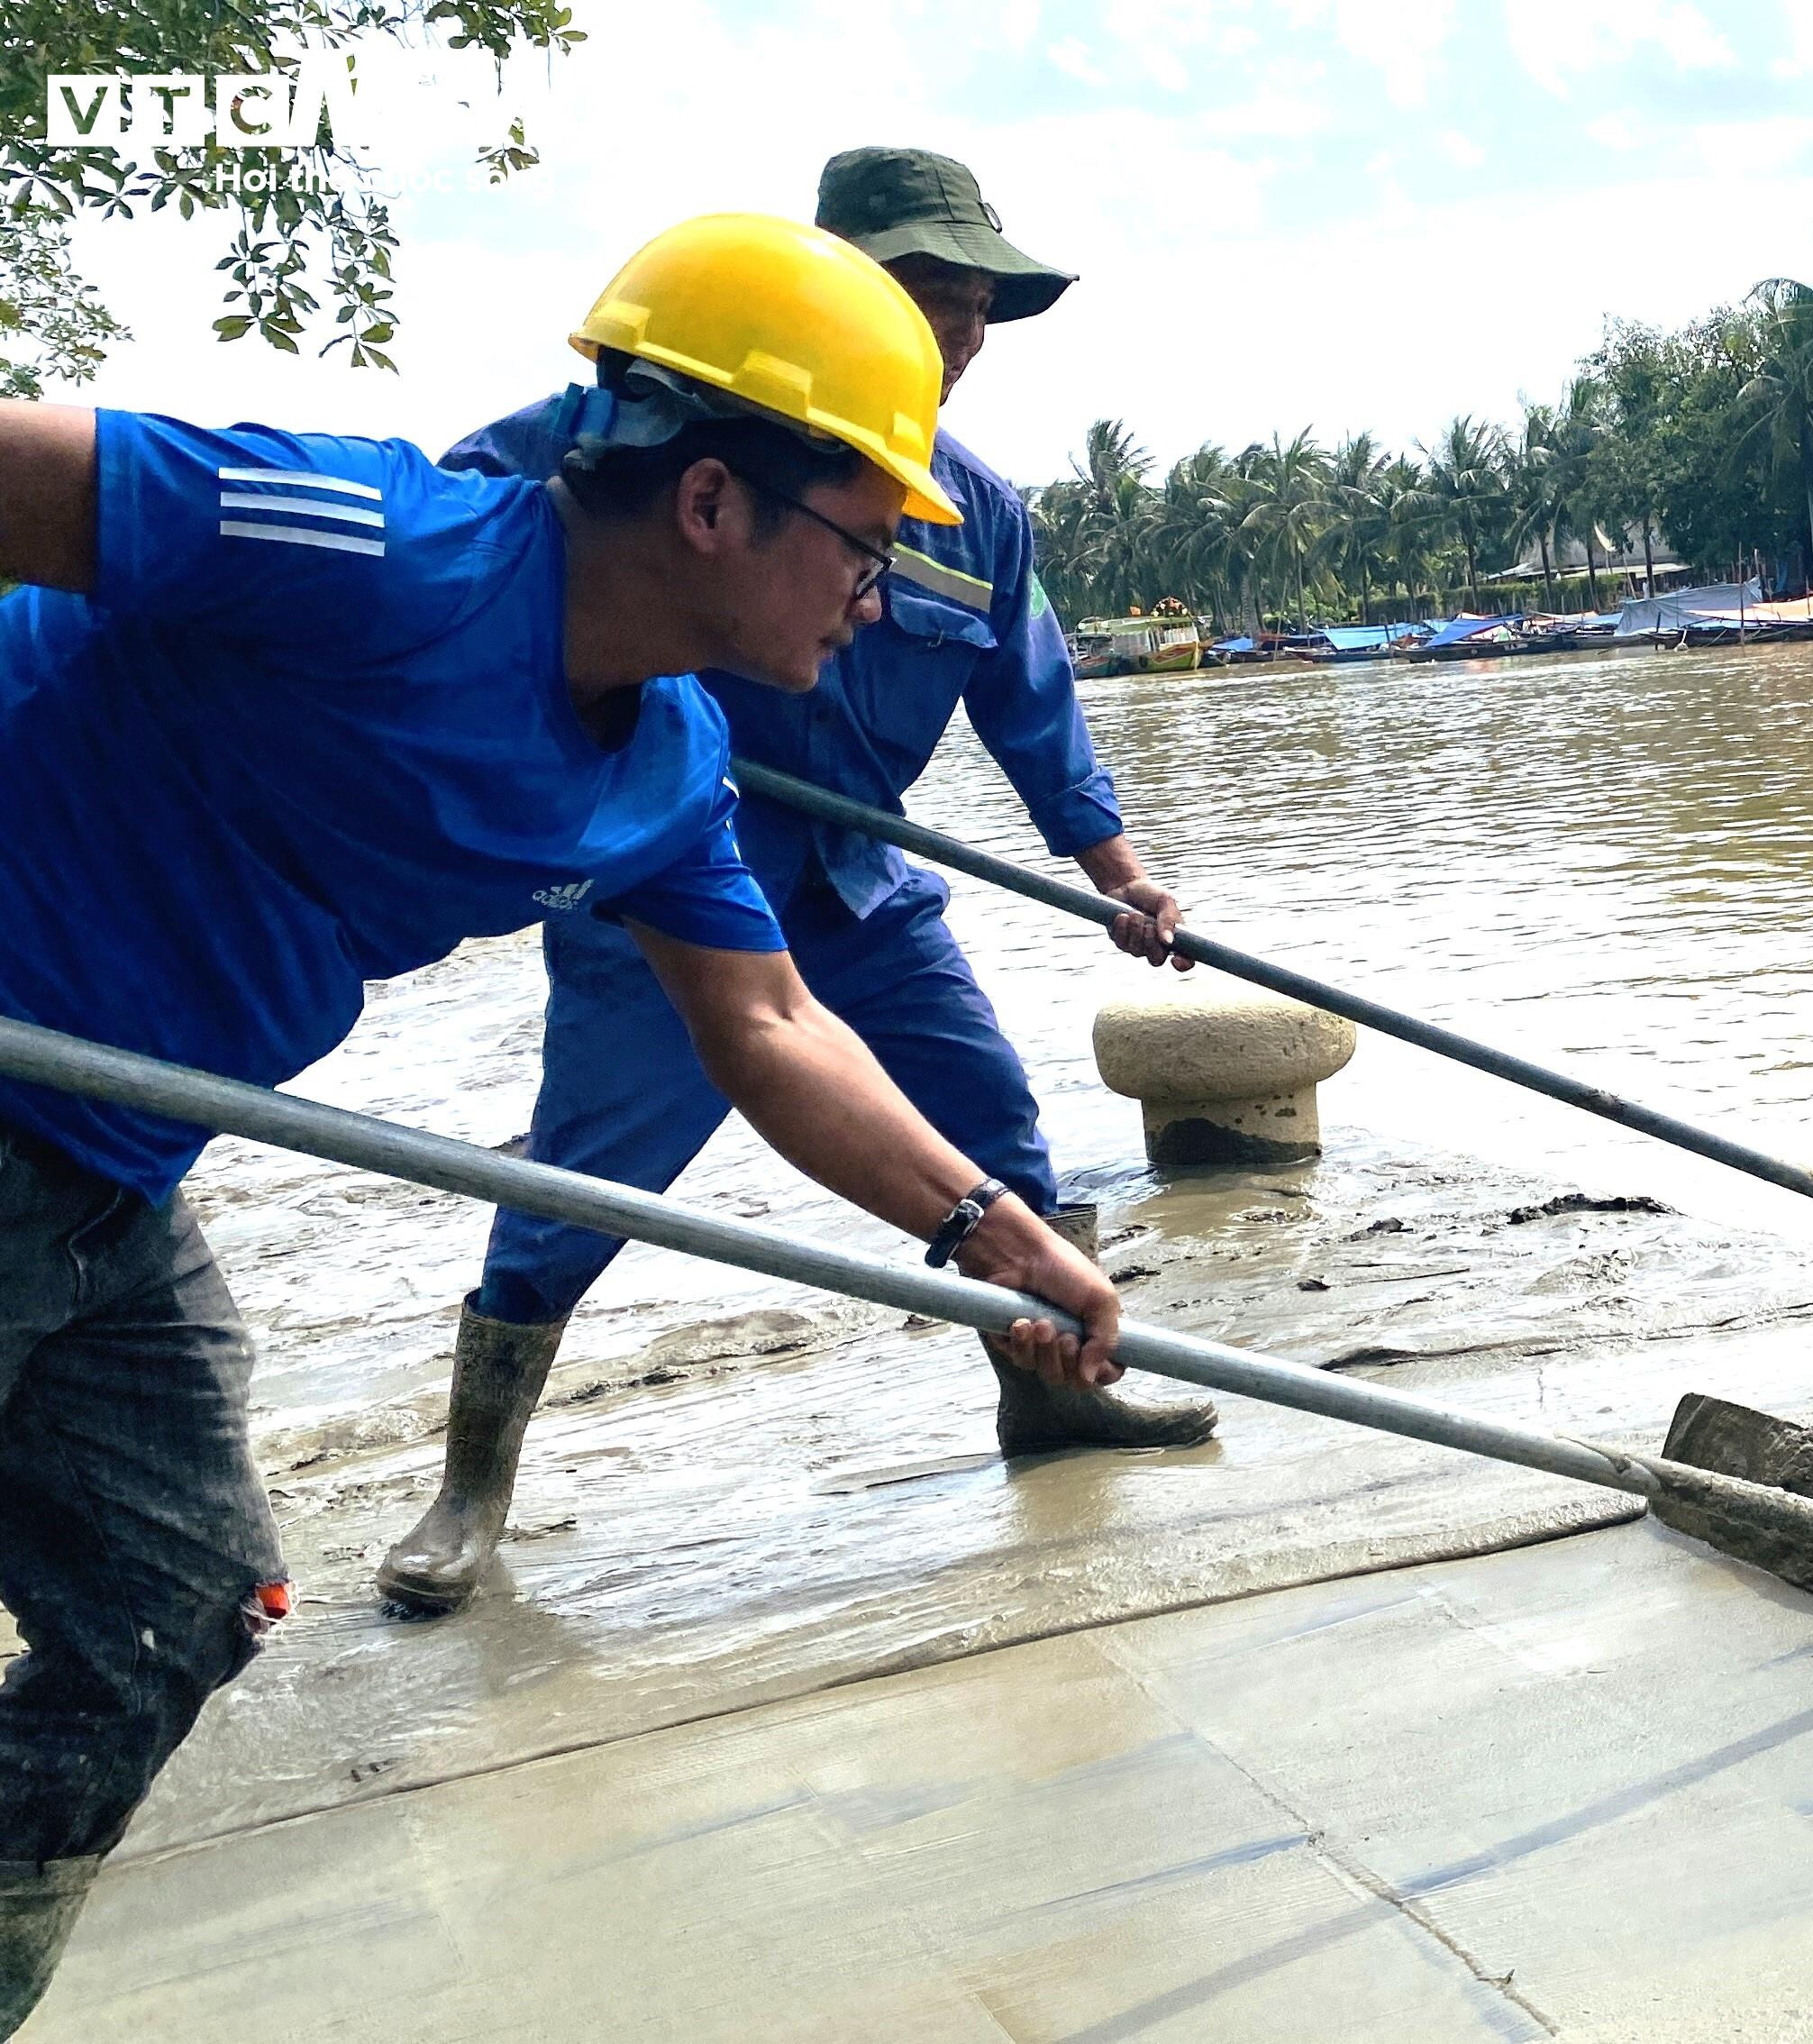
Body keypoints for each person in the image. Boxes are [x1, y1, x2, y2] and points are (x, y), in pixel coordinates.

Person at [0, 213, 1132, 2033]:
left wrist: (991, 1234)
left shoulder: (670, 765)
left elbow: (769, 1026)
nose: (875, 597)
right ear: (711, 503)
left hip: (107, 1168)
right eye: (861, 543)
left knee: (179, 1606)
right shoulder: (369, 541)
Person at [372, 149, 1216, 1620]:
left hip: (861, 885)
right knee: (579, 1185)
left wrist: (1124, 879)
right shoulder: (667, 444)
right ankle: (471, 1490)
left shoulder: (975, 516)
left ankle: (1052, 1402)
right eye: (925, 296)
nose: (957, 335)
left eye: (976, 307)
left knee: (996, 1134)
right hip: (666, 889)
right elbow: (467, 526)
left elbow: (1035, 712)